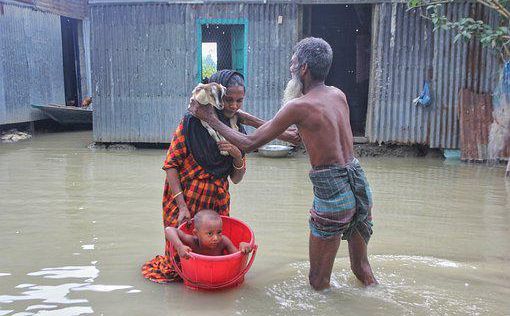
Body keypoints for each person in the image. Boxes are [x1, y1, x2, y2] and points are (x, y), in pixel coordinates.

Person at [189, 37, 377, 290]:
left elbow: (248, 144)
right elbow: (296, 137)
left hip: (333, 193)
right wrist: (246, 117)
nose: (290, 69)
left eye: (293, 63)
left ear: (304, 69)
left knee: (317, 282)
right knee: (361, 269)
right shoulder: (337, 95)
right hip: (359, 185)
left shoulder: (299, 105)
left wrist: (209, 117)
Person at [142, 70, 297, 283]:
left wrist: (236, 155)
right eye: (228, 100)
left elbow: (236, 178)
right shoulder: (191, 124)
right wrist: (182, 206)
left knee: (213, 252)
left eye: (239, 100)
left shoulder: (235, 129)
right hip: (184, 197)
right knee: (178, 262)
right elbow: (171, 166)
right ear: (217, 98)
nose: (234, 106)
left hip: (217, 199)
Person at [165, 209, 252, 258]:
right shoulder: (192, 241)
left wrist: (243, 247)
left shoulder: (223, 241)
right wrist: (179, 246)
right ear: (196, 233)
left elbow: (236, 257)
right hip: (197, 275)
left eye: (219, 232)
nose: (216, 238)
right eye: (210, 234)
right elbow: (169, 230)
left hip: (219, 274)